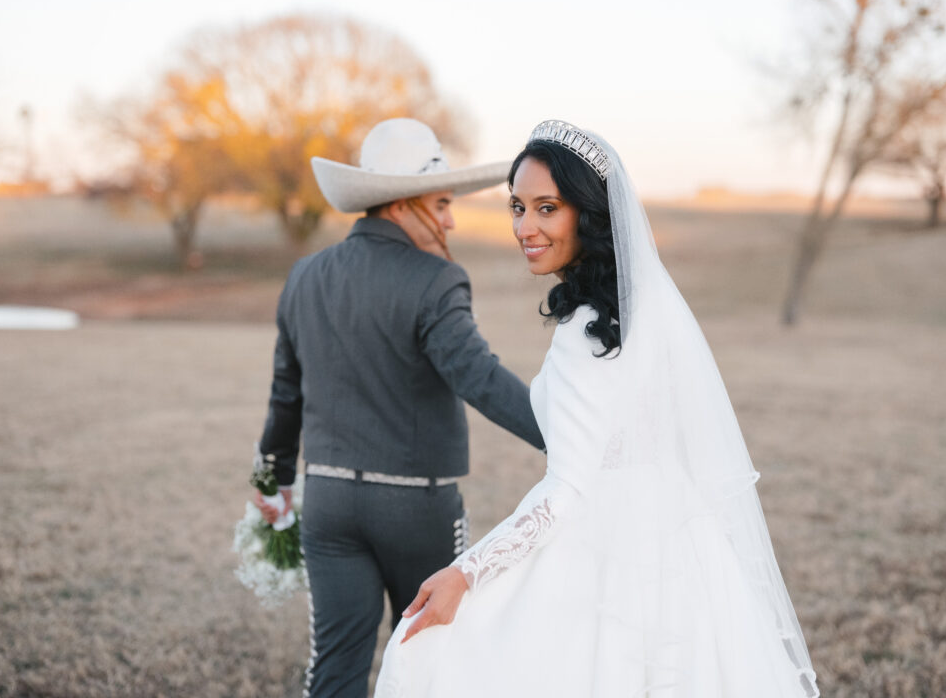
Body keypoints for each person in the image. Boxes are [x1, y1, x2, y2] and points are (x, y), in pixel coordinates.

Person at [374, 120, 820, 697]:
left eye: (545, 208)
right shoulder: (638, 315)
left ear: (586, 214)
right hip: (678, 542)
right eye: (516, 206)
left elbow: (566, 493)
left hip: (609, 556)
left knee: (430, 654)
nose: (523, 227)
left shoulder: (589, 329)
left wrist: (467, 572)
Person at [252, 118, 545, 698]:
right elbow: (478, 377)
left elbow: (285, 392)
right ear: (403, 204)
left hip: (330, 503)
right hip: (418, 509)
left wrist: (270, 482)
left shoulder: (305, 276)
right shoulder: (436, 280)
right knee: (433, 660)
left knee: (335, 668)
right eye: (441, 203)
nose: (451, 219)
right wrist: (566, 434)